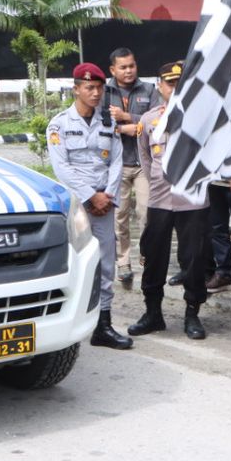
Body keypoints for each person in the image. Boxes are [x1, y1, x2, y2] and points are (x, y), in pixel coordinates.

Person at [47, 63, 132, 350]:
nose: (96, 93)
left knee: (106, 263)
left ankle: (103, 325)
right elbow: (62, 168)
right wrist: (89, 196)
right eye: (89, 88)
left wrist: (106, 196)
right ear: (76, 89)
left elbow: (117, 161)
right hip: (77, 205)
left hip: (104, 205)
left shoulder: (108, 123)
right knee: (74, 262)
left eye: (99, 88)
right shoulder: (59, 124)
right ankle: (66, 323)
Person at [128, 61, 211, 340]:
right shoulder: (148, 120)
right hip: (161, 198)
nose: (175, 88)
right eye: (170, 83)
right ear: (160, 86)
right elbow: (146, 158)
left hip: (192, 199)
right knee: (153, 257)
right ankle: (153, 314)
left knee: (194, 258)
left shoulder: (201, 117)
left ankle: (192, 313)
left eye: (180, 83)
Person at [105, 49, 155, 289]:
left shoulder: (149, 90)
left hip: (144, 164)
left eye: (131, 66)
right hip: (117, 165)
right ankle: (123, 262)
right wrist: (131, 125)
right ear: (112, 70)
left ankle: (147, 255)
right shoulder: (104, 93)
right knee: (119, 216)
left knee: (147, 214)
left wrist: (128, 118)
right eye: (123, 67)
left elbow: (156, 120)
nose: (128, 71)